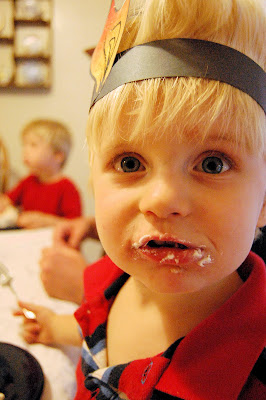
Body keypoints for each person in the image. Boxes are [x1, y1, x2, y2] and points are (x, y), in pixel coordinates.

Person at [15, 0, 266, 399]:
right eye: (130, 163)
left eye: (214, 164)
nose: (162, 199)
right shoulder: (106, 283)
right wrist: (53, 326)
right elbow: (92, 327)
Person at [0, 119, 82, 228]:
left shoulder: (67, 188)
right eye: (24, 145)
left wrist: (45, 221)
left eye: (33, 145)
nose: (25, 151)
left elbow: (76, 226)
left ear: (58, 155)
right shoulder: (28, 181)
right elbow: (6, 201)